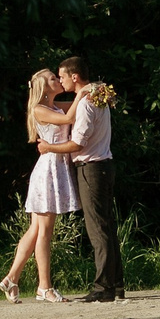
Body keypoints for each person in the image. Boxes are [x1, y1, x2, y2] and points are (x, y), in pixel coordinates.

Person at [1, 69, 78, 303]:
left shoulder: (55, 106)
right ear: (44, 86)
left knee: (35, 230)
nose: (58, 80)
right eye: (54, 79)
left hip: (53, 169)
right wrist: (85, 92)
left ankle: (12, 278)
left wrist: (87, 91)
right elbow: (69, 118)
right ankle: (44, 286)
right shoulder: (40, 109)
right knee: (44, 232)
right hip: (48, 172)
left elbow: (75, 105)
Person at [52, 55, 124, 303]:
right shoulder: (98, 96)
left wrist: (49, 148)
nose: (60, 82)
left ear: (75, 76)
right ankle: (116, 284)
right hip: (105, 164)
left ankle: (103, 287)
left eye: (62, 76)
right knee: (107, 225)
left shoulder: (86, 103)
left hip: (91, 167)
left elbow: (78, 142)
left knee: (97, 228)